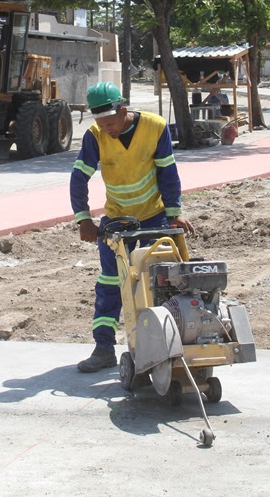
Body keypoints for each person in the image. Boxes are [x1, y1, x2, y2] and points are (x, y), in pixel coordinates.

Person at [70, 81, 195, 373]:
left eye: (111, 123)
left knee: (167, 277)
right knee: (111, 281)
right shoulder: (95, 136)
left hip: (154, 214)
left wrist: (174, 214)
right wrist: (83, 219)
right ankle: (103, 348)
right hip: (116, 218)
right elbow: (79, 178)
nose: (107, 130)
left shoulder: (155, 127)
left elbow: (168, 171)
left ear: (123, 110)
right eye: (101, 125)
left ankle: (176, 340)